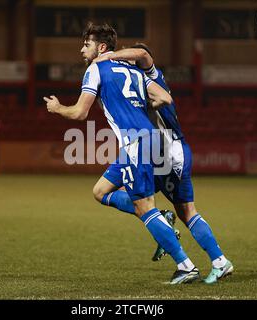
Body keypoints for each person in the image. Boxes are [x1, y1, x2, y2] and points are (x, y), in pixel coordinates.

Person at [44, 22, 199, 284]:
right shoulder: (131, 69)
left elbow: (80, 113)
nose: (82, 49)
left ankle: (186, 265)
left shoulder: (95, 69)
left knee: (143, 206)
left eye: (87, 44)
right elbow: (165, 97)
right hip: (150, 138)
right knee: (100, 191)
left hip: (137, 142)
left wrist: (58, 108)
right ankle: (163, 218)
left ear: (101, 47)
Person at [92, 43, 234, 284]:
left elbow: (145, 56)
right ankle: (205, 253)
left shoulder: (150, 76)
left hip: (166, 148)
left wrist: (110, 56)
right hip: (150, 148)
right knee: (101, 191)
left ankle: (213, 261)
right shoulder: (134, 81)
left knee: (183, 210)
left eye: (129, 55)